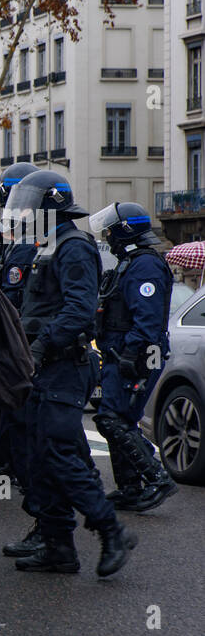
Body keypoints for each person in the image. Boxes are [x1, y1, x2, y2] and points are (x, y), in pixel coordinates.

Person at [6, 171, 136, 579]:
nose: (22, 210)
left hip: (63, 365)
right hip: (43, 367)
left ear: (51, 205)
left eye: (29, 203)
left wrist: (41, 345)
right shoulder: (48, 244)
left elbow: (79, 310)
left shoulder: (74, 246)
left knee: (62, 453)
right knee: (41, 456)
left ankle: (111, 530)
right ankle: (57, 544)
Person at [90, 201, 176, 513]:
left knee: (112, 419)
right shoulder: (129, 262)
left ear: (126, 231)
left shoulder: (145, 265)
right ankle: (130, 488)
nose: (108, 236)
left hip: (135, 356)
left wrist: (131, 353)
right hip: (117, 353)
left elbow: (148, 318)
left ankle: (156, 477)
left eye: (111, 230)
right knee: (118, 419)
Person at [0, 162, 38, 488]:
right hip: (4, 334)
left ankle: (22, 469)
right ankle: (7, 463)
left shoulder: (32, 238)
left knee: (16, 408)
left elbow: (18, 286)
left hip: (18, 336)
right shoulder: (12, 230)